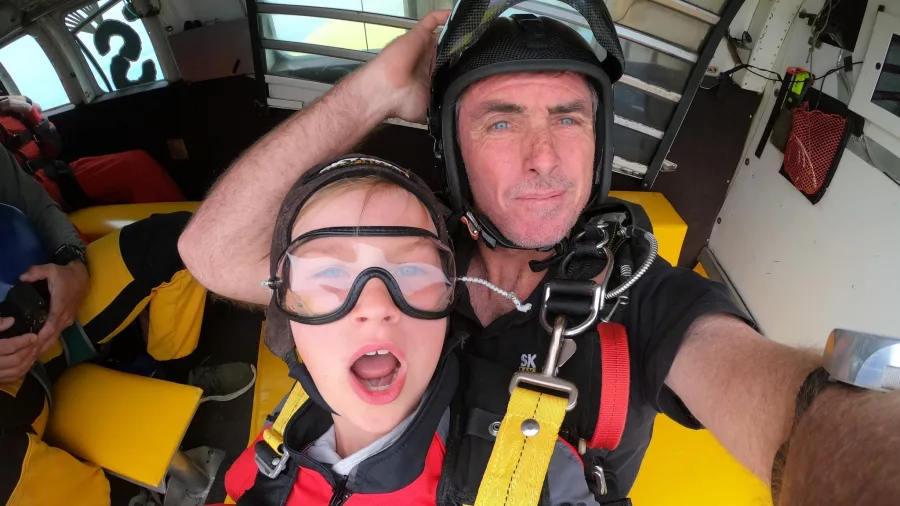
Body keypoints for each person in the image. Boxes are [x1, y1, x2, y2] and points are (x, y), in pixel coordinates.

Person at [179, 3, 900, 506]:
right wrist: (373, 92)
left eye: (568, 118)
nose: (545, 158)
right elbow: (211, 253)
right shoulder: (406, 257)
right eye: (501, 122)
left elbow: (797, 419)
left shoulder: (647, 301)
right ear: (453, 152)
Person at [222, 155, 598, 505]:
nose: (376, 305)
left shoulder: (535, 476)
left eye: (412, 270)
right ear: (287, 316)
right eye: (329, 273)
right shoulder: (283, 432)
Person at [0, 143, 228, 506]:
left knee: (178, 241)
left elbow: (36, 206)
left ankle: (176, 376)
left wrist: (72, 261)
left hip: (47, 303)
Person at [0, 94, 184, 211]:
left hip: (57, 174)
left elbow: (53, 147)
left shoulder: (9, 108)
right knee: (67, 241)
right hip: (27, 199)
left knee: (136, 163)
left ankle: (184, 225)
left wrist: (31, 111)